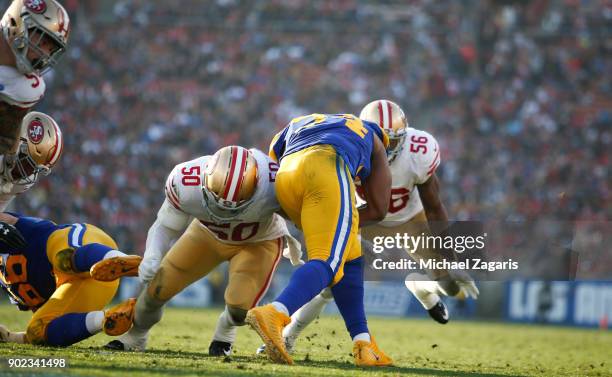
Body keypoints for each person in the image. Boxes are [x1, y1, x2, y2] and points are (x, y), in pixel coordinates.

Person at [259, 100, 480, 354]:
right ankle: (288, 336)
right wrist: (344, 226)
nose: (389, 149)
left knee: (449, 286)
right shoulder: (355, 140)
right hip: (362, 216)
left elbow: (434, 207)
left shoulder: (419, 151)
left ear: (404, 136)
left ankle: (421, 288)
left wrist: (450, 258)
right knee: (332, 279)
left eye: (394, 141)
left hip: (410, 219)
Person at [104, 145, 296, 357]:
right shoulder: (186, 181)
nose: (225, 211)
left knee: (240, 309)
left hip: (259, 241)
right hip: (207, 234)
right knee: (156, 290)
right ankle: (136, 336)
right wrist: (152, 255)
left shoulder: (275, 184)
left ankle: (226, 330)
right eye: (219, 203)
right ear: (205, 179)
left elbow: (303, 217)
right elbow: (166, 226)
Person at [246, 113, 393, 366]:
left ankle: (364, 343)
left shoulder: (303, 120)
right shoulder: (374, 137)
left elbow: (273, 161)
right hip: (327, 167)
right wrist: (343, 216)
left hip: (287, 176)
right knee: (328, 261)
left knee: (351, 258)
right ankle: (277, 311)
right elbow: (379, 209)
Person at [0, 211, 140, 346]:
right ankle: (109, 318)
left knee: (64, 259)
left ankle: (134, 264)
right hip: (81, 285)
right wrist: (11, 337)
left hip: (84, 247)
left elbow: (8, 219)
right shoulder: (10, 285)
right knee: (37, 330)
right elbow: (50, 313)